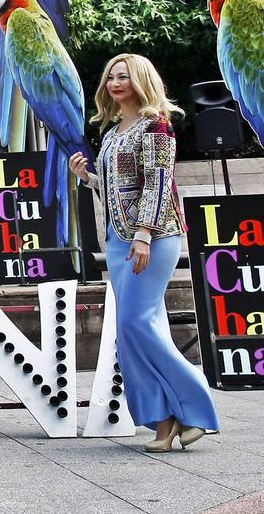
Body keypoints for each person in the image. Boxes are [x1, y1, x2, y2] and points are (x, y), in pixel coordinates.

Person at [68, 53, 219, 453]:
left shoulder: (156, 125)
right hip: (119, 240)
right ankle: (165, 422)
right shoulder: (116, 129)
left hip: (153, 235)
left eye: (125, 77)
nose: (116, 83)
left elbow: (156, 182)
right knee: (132, 332)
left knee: (136, 324)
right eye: (111, 77)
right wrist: (87, 178)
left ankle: (195, 404)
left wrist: (144, 235)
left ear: (141, 81)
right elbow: (121, 188)